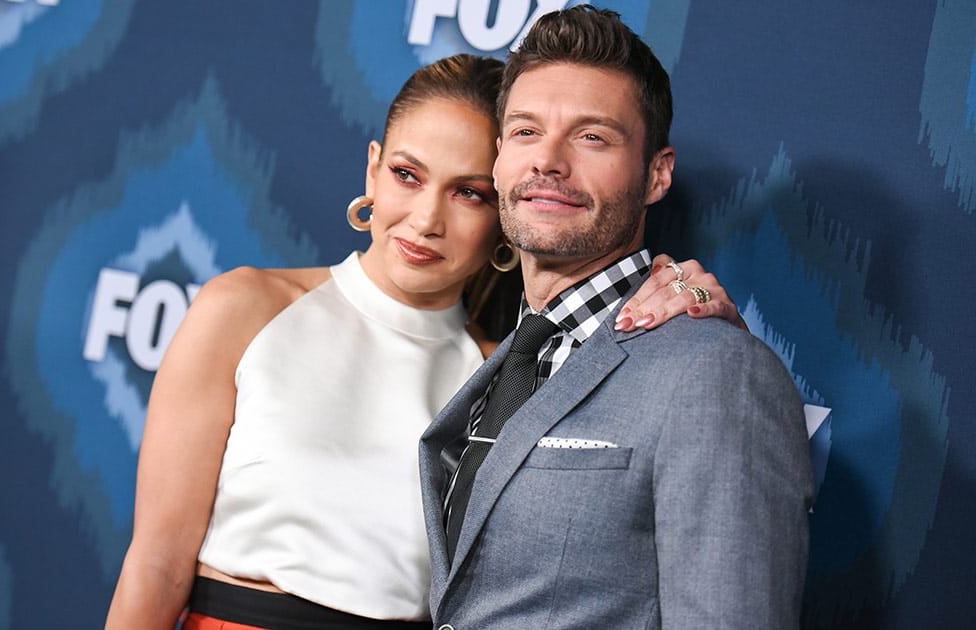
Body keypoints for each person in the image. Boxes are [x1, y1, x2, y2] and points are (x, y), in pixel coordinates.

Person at [105, 53, 741, 630]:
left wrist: (708, 316)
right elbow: (156, 565)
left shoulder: (505, 379)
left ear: (508, 211)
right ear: (374, 169)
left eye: (469, 193)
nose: (427, 219)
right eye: (408, 175)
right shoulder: (243, 309)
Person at [418, 7, 815, 629]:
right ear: (498, 160)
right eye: (525, 132)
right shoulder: (506, 358)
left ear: (657, 173)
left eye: (591, 136)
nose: (548, 160)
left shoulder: (716, 371)